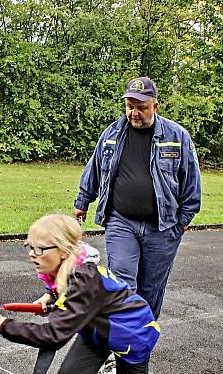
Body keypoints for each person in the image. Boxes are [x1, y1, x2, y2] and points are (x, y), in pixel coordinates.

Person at [0, 214, 176, 374]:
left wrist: (5, 325)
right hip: (98, 327)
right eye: (29, 247)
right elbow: (71, 300)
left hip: (132, 335)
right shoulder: (64, 270)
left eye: (40, 249)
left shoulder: (83, 281)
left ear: (63, 251)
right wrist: (51, 297)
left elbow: (54, 336)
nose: (32, 254)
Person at [73, 76, 201, 319]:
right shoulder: (112, 133)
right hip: (121, 222)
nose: (134, 113)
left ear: (155, 106)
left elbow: (191, 181)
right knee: (122, 284)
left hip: (163, 228)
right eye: (130, 106)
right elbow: (95, 168)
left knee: (150, 290)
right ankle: (121, 344)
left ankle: (140, 349)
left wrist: (183, 221)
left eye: (141, 107)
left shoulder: (177, 136)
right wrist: (82, 201)